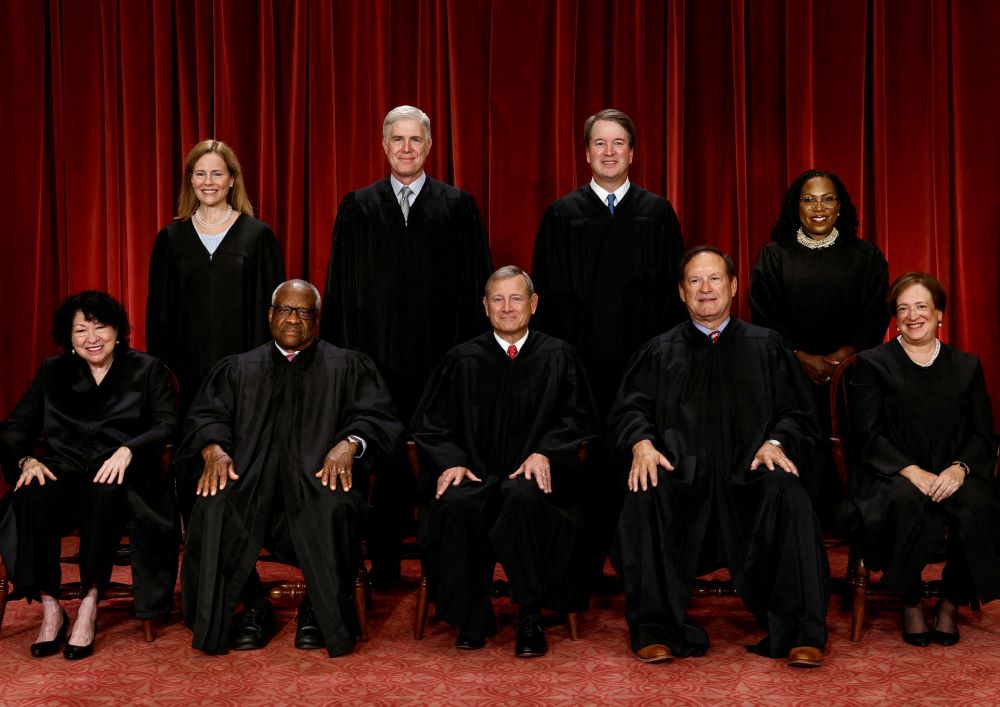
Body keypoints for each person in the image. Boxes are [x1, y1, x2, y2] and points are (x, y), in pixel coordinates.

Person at [610, 246, 830, 667]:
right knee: (643, 492)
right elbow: (630, 409)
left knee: (788, 492)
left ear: (733, 286)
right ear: (681, 292)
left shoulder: (766, 347)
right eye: (695, 281)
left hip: (749, 475)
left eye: (714, 279)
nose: (705, 289)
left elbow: (797, 413)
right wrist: (641, 443)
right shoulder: (659, 351)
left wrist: (776, 443)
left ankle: (802, 631)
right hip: (681, 477)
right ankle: (654, 629)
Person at [177, 279, 402, 658]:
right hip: (250, 482)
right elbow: (206, 415)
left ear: (317, 318)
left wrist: (351, 443)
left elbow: (378, 418)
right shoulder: (239, 369)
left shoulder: (347, 365)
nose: (293, 319)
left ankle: (319, 607)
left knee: (334, 506)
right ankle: (250, 605)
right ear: (270, 315)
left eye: (303, 311)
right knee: (213, 505)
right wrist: (213, 447)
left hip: (316, 482)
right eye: (285, 309)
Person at [322, 105, 493, 585]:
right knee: (382, 460)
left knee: (439, 461)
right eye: (397, 140)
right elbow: (338, 289)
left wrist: (470, 361)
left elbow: (476, 288)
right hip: (375, 364)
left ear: (429, 146)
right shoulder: (357, 206)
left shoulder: (458, 206)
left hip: (441, 362)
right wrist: (341, 363)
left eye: (415, 140)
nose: (406, 148)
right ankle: (383, 565)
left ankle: (442, 568)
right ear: (383, 146)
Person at [530, 108, 686, 585]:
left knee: (638, 458)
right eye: (600, 143)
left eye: (618, 143)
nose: (609, 152)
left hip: (643, 368)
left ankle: (640, 566)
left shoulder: (657, 213)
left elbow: (674, 298)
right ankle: (579, 569)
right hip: (582, 367)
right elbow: (548, 300)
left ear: (633, 152)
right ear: (586, 153)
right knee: (585, 466)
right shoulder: (562, 214)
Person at [412, 266, 599, 657]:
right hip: (477, 472)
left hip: (535, 477)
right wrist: (453, 461)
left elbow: (578, 420)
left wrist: (546, 451)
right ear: (485, 306)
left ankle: (530, 614)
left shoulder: (559, 356)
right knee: (459, 502)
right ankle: (471, 616)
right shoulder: (461, 359)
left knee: (524, 497)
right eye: (498, 299)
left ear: (533, 303)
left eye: (516, 298)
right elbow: (430, 426)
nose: (507, 307)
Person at [0, 291, 178, 660]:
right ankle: (51, 607)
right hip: (64, 469)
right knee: (30, 494)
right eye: (81, 330)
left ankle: (89, 604)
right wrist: (25, 462)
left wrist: (130, 449)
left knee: (105, 492)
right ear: (69, 336)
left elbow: (167, 424)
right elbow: (16, 427)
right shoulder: (53, 371)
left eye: (101, 328)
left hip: (121, 473)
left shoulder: (146, 369)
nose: (92, 338)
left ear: (118, 331)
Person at [846, 272, 1000, 647]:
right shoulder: (872, 363)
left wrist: (959, 469)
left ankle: (950, 600)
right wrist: (912, 471)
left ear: (939, 314)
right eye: (903, 309)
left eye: (921, 306)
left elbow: (983, 434)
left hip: (952, 470)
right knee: (906, 501)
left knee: (982, 504)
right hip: (893, 472)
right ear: (895, 318)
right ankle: (911, 599)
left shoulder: (966, 366)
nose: (913, 315)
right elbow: (867, 434)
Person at [750, 169, 889, 506]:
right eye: (808, 199)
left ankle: (853, 512)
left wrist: (844, 356)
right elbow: (765, 317)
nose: (818, 207)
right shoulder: (774, 257)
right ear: (796, 206)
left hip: (853, 374)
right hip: (790, 372)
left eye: (828, 198)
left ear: (839, 206)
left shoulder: (865, 256)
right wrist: (800, 357)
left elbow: (876, 311)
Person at [147, 139, 286, 412]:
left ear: (232, 179)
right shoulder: (171, 238)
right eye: (200, 173)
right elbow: (159, 314)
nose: (208, 182)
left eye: (217, 173)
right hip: (186, 372)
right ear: (191, 180)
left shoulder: (257, 236)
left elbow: (273, 311)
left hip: (246, 373)